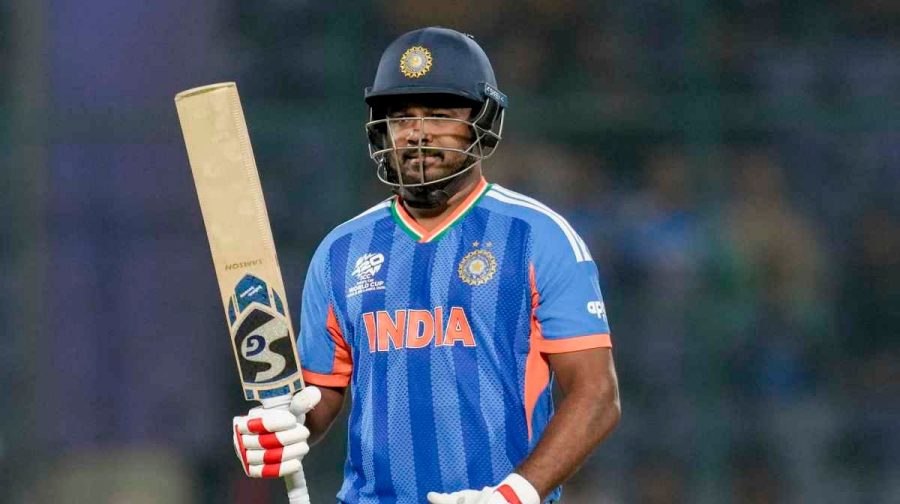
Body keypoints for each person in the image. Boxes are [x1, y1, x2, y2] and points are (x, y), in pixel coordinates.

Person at [232, 26, 621, 504]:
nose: (418, 133)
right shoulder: (341, 250)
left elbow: (597, 395)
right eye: (402, 118)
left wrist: (511, 495)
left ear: (483, 122)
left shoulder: (538, 238)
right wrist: (278, 432)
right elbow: (317, 397)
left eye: (439, 115)